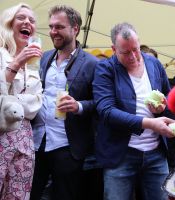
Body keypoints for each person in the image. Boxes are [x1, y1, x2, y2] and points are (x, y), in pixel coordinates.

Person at [93, 22, 175, 200]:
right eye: (125, 52)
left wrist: (163, 107)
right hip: (121, 154)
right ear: (114, 49)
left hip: (156, 152)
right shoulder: (106, 69)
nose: (133, 56)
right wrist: (149, 123)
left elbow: (169, 96)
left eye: (136, 49)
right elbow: (106, 111)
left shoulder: (153, 63)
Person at [30, 5, 98, 200]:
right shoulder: (43, 58)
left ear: (75, 28)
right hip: (37, 142)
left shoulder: (92, 63)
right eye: (51, 27)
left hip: (67, 146)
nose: (53, 32)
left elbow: (101, 103)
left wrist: (79, 106)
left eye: (59, 27)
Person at [0, 3, 43, 200]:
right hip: (2, 133)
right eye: (21, 18)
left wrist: (9, 98)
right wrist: (16, 64)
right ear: (9, 23)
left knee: (18, 196)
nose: (28, 22)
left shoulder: (33, 65)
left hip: (25, 138)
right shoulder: (1, 54)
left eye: (32, 20)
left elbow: (35, 106)